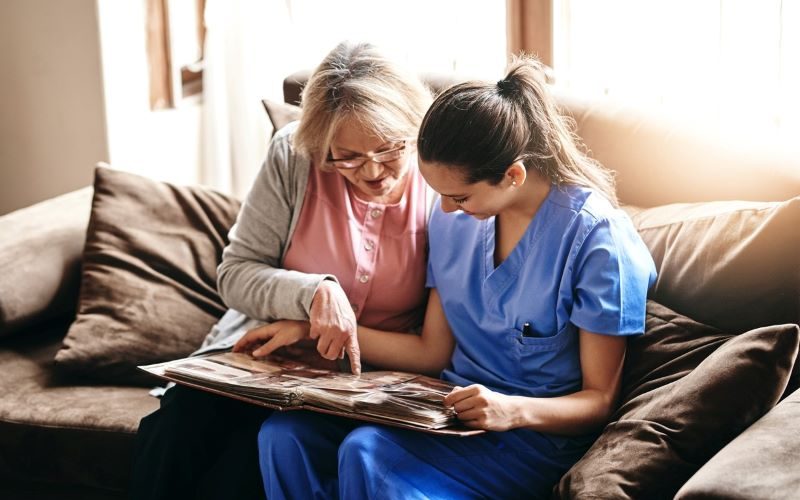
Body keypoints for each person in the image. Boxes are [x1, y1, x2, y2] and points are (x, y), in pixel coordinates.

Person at [255, 56, 657, 499]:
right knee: (285, 435)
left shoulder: (598, 241)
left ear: (513, 175)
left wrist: (510, 410)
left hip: (531, 435)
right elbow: (432, 351)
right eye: (440, 194)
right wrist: (310, 331)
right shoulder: (453, 219)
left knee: (366, 453)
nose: (443, 210)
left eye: (459, 196)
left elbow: (599, 401)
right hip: (442, 409)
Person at [129, 41, 435, 500]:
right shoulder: (293, 157)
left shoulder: (444, 184)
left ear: (415, 129)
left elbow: (437, 347)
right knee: (177, 426)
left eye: (390, 149)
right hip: (259, 359)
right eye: (346, 156)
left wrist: (309, 330)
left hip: (359, 378)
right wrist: (313, 294)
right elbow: (235, 273)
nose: (373, 171)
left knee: (245, 463)